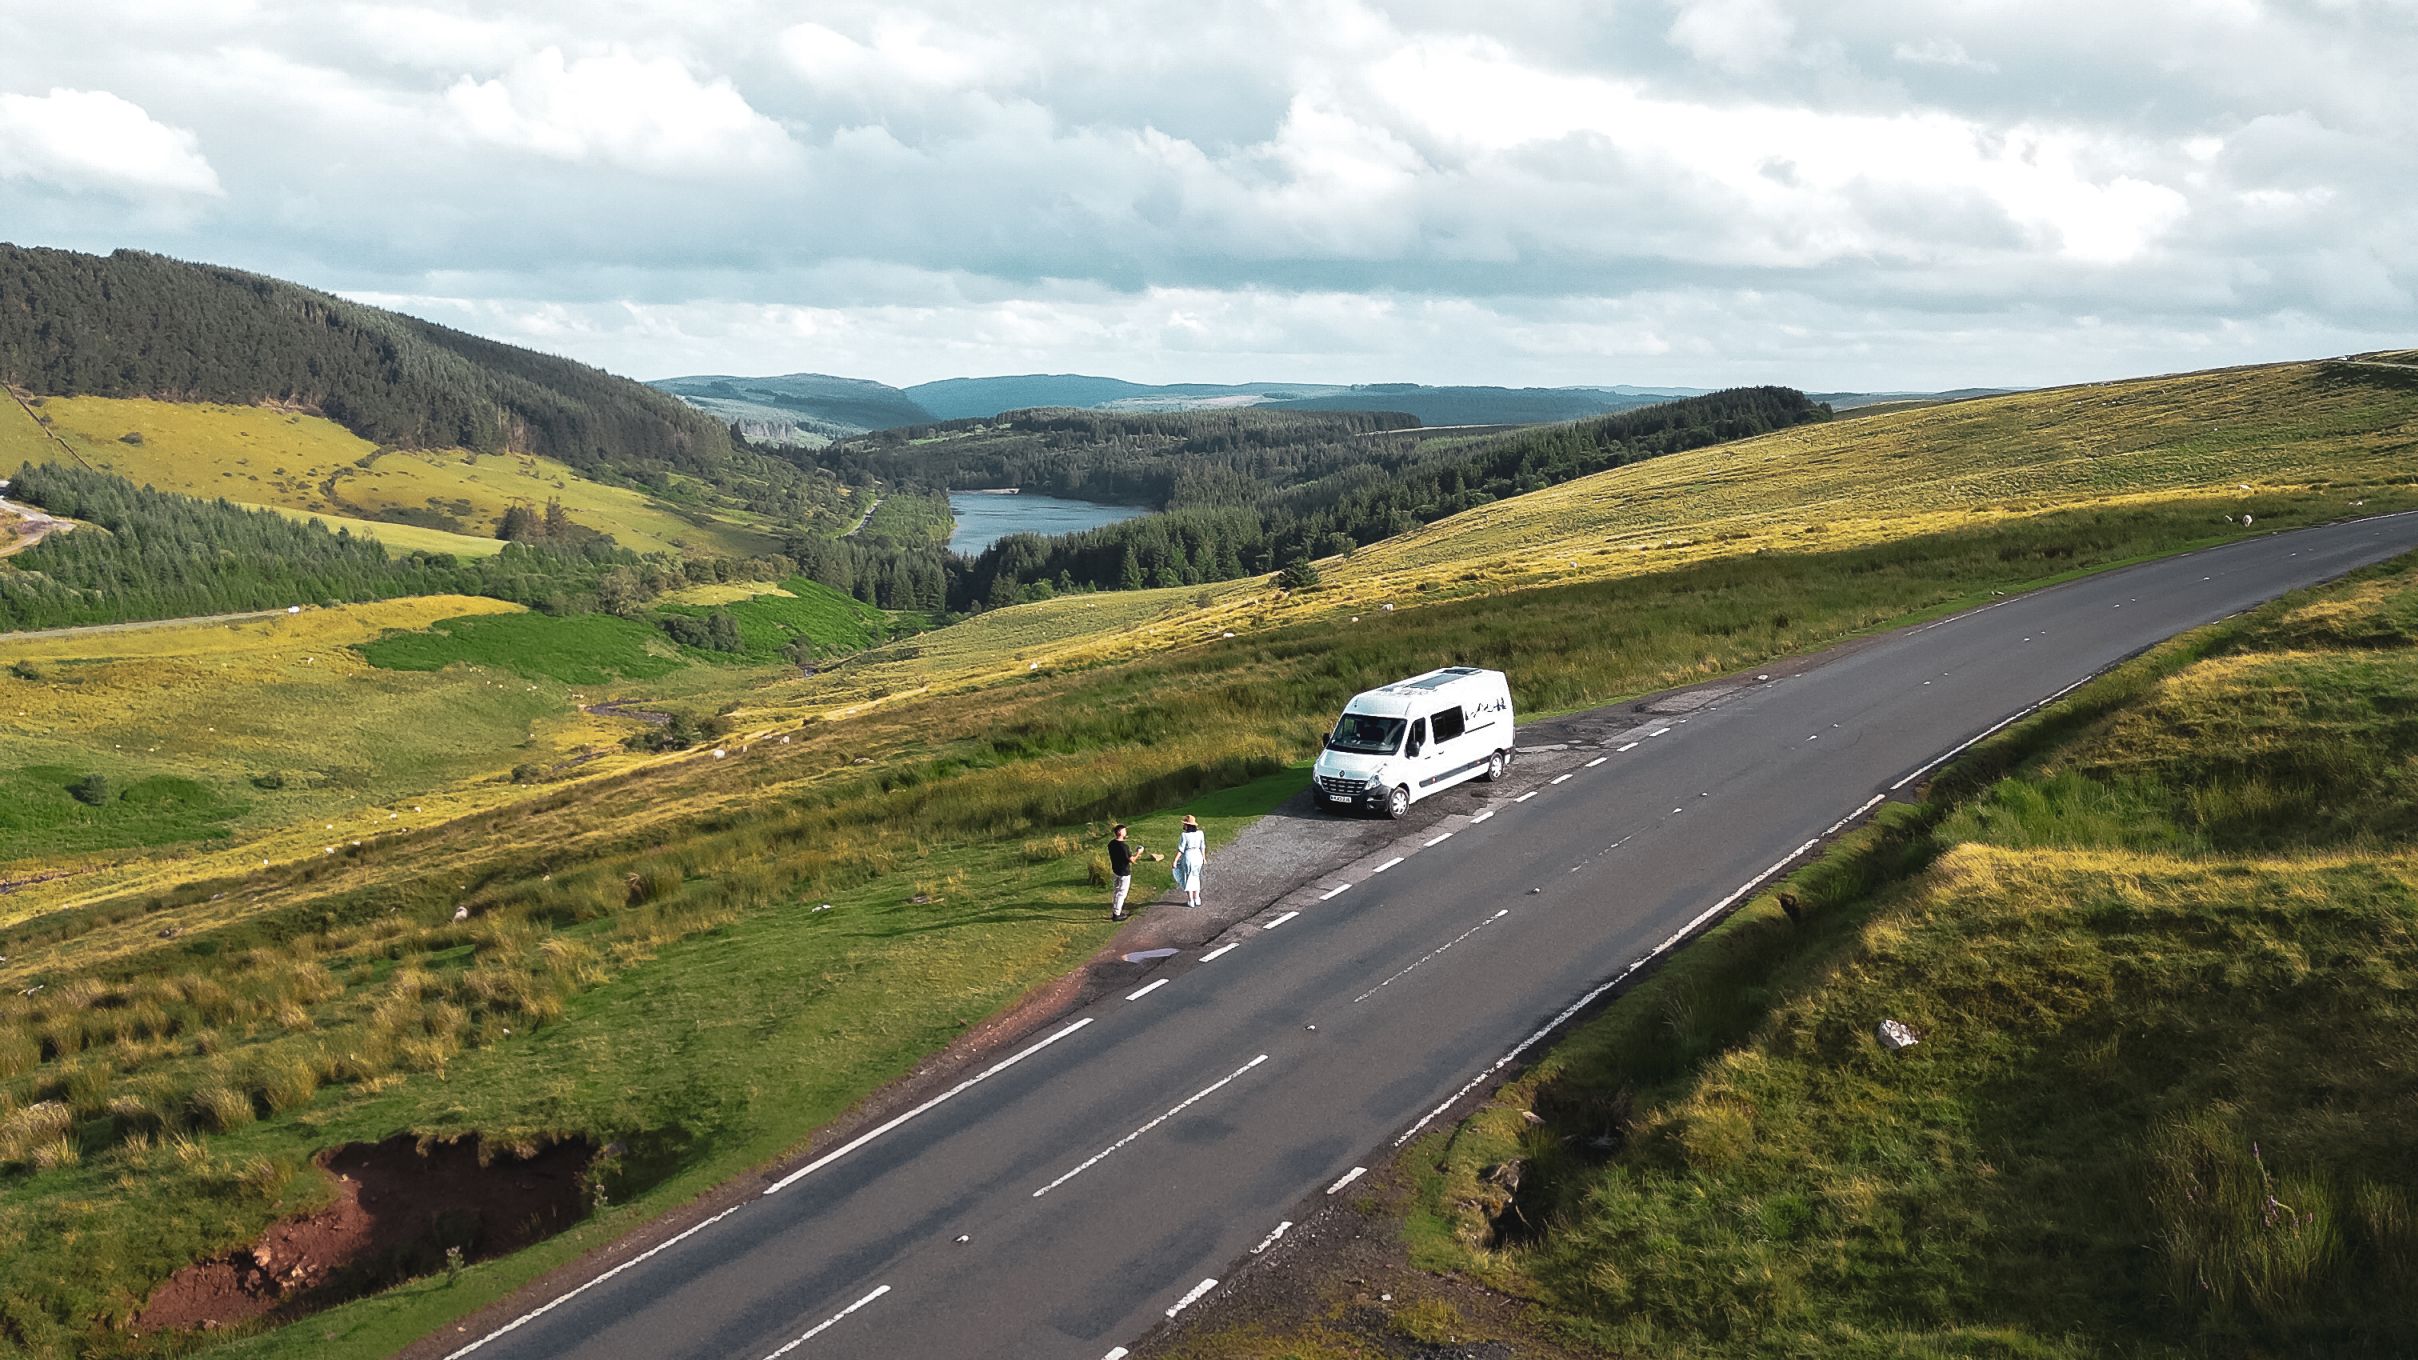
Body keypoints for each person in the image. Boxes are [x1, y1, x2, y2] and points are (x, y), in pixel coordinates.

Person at [1108, 823, 1143, 920]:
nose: (1126, 831)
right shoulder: (1124, 847)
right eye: (1124, 830)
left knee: (1116, 891)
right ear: (1120, 832)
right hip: (1124, 872)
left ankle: (1115, 909)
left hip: (1116, 870)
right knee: (1122, 893)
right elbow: (1132, 860)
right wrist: (1138, 853)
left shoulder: (1111, 844)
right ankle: (1117, 914)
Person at [1172, 814, 1206, 908]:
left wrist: (1175, 860)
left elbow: (1181, 849)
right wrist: (1203, 858)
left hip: (1189, 857)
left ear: (1187, 825)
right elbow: (1202, 846)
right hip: (1198, 856)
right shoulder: (1200, 833)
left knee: (1187, 878)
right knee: (1196, 876)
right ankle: (1197, 898)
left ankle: (1191, 900)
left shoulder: (1184, 835)